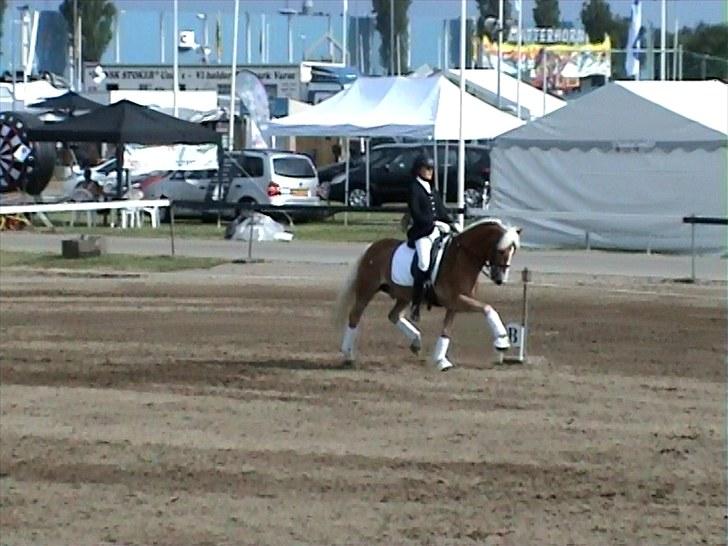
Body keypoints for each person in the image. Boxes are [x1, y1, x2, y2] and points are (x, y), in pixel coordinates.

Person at [406, 153, 457, 322]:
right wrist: (434, 223)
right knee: (423, 263)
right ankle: (415, 303)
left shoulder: (432, 190)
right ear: (419, 170)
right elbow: (417, 214)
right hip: (421, 233)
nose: (430, 171)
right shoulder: (414, 189)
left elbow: (441, 210)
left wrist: (452, 223)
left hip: (436, 231)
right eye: (427, 168)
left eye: (431, 168)